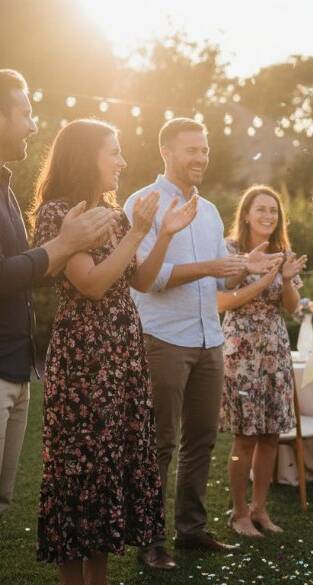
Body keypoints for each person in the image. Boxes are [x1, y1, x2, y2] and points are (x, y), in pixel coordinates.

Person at [31, 119, 196, 584]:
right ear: (87, 157)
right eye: (114, 152)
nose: (123, 162)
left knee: (109, 470)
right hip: (85, 357)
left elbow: (139, 281)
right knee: (80, 471)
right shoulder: (57, 213)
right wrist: (134, 233)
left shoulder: (117, 215)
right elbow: (92, 284)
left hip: (122, 353)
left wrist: (161, 234)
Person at [123, 118, 279, 570]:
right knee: (161, 442)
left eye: (205, 150)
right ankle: (150, 541)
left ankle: (190, 530)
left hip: (210, 338)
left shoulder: (209, 211)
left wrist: (245, 267)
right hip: (163, 338)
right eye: (192, 149)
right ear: (166, 151)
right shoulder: (143, 203)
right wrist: (216, 264)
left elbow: (217, 277)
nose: (201, 158)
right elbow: (149, 280)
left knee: (202, 441)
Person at [0, 70, 116, 519]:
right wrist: (65, 245)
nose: (33, 125)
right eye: (25, 113)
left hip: (16, 365)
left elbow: (29, 272)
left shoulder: (7, 188)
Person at [218, 185, 307, 538]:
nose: (268, 216)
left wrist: (284, 280)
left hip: (274, 350)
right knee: (245, 437)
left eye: (274, 210)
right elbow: (223, 289)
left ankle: (260, 509)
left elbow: (291, 306)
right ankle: (239, 513)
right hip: (241, 349)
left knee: (270, 434)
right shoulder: (229, 248)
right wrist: (247, 267)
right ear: (246, 214)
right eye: (261, 209)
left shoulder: (284, 253)